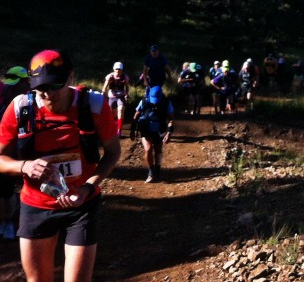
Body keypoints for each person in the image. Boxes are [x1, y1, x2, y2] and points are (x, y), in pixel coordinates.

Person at [0, 49, 121, 282]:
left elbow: (113, 152)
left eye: (55, 86)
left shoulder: (93, 105)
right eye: (40, 88)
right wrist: (24, 166)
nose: (47, 95)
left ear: (71, 78)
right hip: (36, 205)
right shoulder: (20, 109)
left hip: (81, 204)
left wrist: (88, 187)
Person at [0, 66, 30, 241]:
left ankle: (10, 221)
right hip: (5, 152)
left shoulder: (28, 103)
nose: (12, 87)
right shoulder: (4, 101)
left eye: (16, 83)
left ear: (25, 82)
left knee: (9, 190)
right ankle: (5, 221)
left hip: (19, 154)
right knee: (4, 190)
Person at [133, 86, 174, 183]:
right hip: (146, 128)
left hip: (159, 129)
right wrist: (133, 129)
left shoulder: (166, 102)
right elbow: (136, 115)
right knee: (148, 149)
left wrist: (169, 133)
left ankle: (158, 168)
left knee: (158, 150)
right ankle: (151, 172)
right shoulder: (144, 101)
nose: (154, 102)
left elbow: (171, 119)